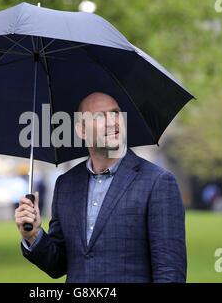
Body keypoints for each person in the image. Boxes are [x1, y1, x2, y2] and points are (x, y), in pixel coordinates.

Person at [15, 92, 187, 283]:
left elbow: (170, 273)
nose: (111, 121)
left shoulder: (158, 182)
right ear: (81, 130)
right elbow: (58, 264)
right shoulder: (66, 185)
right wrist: (34, 235)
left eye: (115, 113)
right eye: (99, 116)